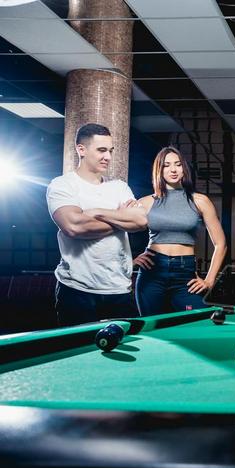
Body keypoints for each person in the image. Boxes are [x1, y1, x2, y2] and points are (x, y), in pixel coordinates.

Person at [46, 123, 147, 326]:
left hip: (119, 289)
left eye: (110, 151)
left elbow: (140, 221)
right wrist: (120, 217)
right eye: (101, 150)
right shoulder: (62, 185)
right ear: (81, 149)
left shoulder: (119, 187)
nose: (108, 157)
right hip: (76, 290)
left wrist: (96, 213)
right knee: (78, 354)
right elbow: (74, 226)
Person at [133, 147, 227, 316]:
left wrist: (210, 280)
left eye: (178, 164)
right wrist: (130, 259)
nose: (173, 169)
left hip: (185, 273)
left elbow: (221, 244)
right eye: (167, 165)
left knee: (198, 322)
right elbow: (118, 231)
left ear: (184, 168)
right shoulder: (145, 202)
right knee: (153, 329)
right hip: (152, 272)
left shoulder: (200, 201)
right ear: (159, 170)